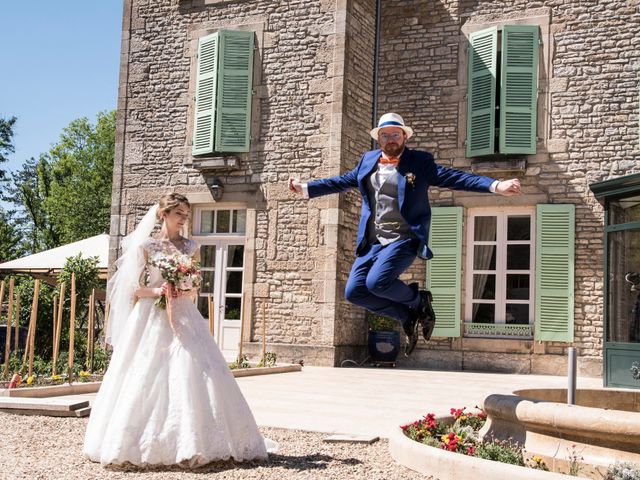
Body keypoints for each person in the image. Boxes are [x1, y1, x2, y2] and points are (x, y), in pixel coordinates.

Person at [289, 113, 521, 356]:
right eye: (385, 135)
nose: (391, 139)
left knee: (376, 282)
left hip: (404, 238)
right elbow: (341, 181)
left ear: (404, 137)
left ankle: (419, 300)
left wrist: (495, 185)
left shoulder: (419, 162)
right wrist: (304, 188)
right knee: (354, 292)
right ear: (379, 138)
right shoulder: (367, 161)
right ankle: (406, 314)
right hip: (374, 240)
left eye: (395, 134)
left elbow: (455, 177)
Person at [83, 193, 276, 467]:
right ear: (163, 215)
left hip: (184, 314)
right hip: (151, 315)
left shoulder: (191, 247)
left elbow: (196, 288)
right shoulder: (147, 246)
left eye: (186, 214)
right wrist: (157, 290)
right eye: (179, 214)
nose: (185, 219)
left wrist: (185, 288)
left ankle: (198, 440)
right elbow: (133, 288)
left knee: (197, 371)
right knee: (145, 374)